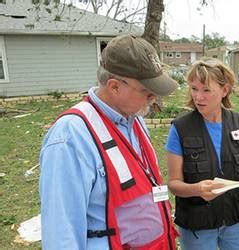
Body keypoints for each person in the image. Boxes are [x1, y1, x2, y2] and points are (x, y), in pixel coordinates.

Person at [39, 35, 179, 249]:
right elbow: (62, 231)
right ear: (114, 87)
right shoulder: (70, 137)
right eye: (147, 92)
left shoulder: (134, 119)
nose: (154, 98)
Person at [165, 57, 239, 250]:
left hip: (237, 222)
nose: (198, 97)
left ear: (224, 90)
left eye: (206, 90)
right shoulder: (180, 128)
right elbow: (174, 183)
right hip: (197, 225)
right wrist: (197, 189)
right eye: (194, 89)